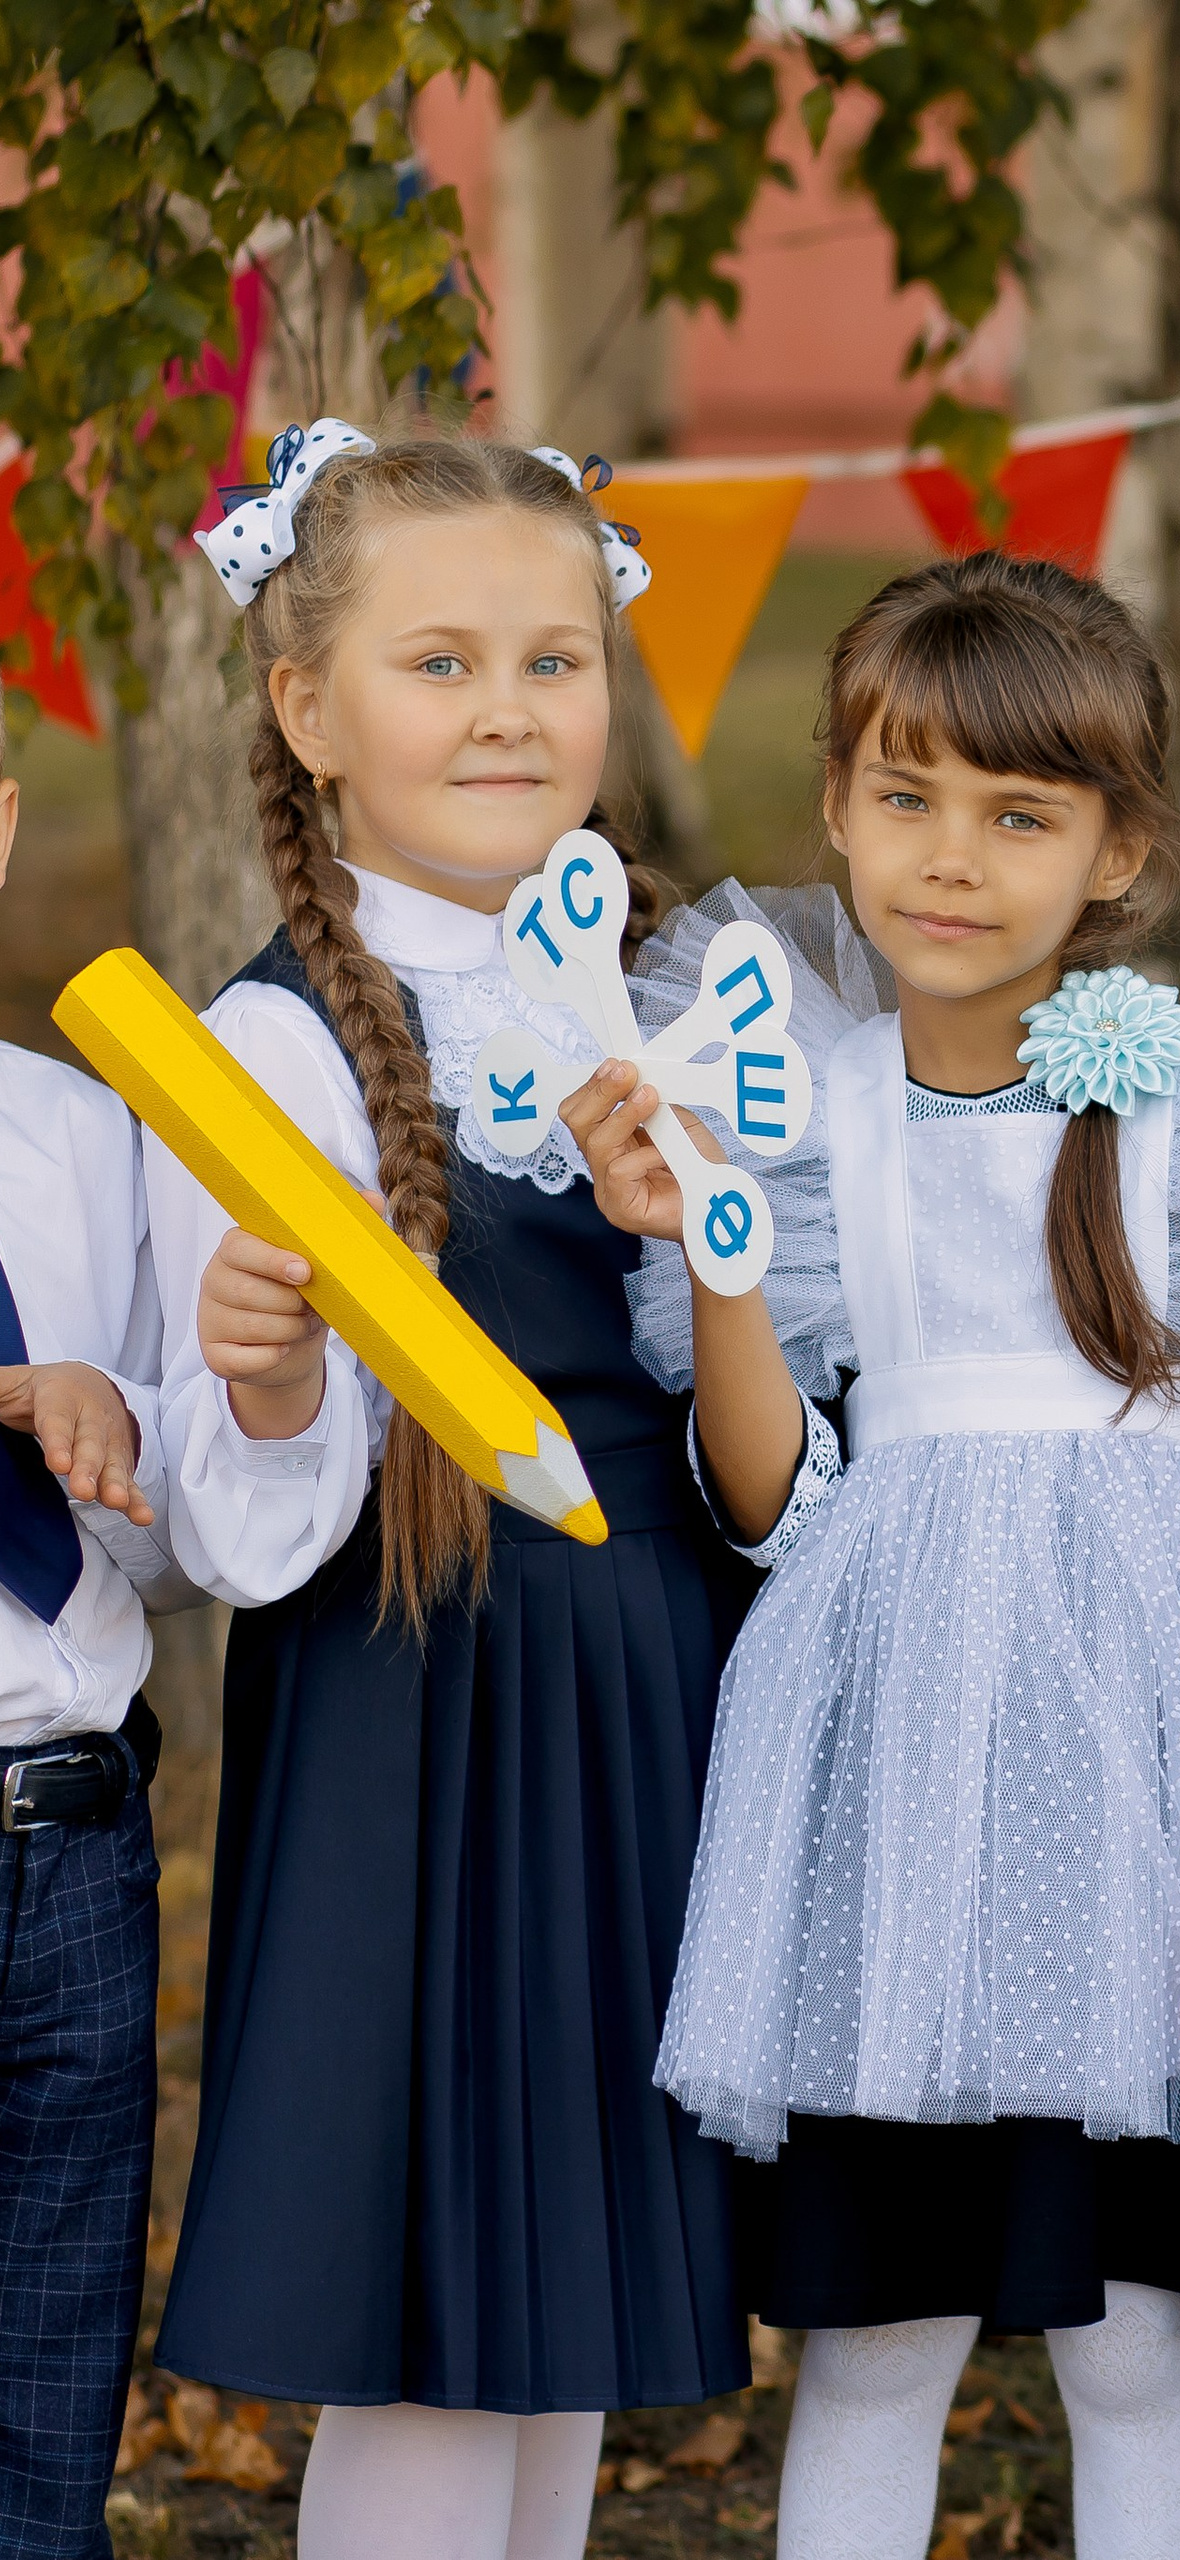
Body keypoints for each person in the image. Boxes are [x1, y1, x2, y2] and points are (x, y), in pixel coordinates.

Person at [564, 551, 1180, 2560]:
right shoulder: (797, 1119)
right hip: (891, 1808)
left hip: (1163, 1805)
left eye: (1018, 814)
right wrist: (714, 1249)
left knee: (1133, 2340)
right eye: (906, 796)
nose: (950, 859)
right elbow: (771, 1504)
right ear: (839, 806)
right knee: (878, 2343)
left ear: (1115, 846)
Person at [149, 423, 754, 2560]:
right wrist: (278, 1367)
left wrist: (710, 1244)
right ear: (310, 710)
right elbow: (234, 1529)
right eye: (439, 661)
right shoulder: (279, 1045)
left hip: (644, 1685)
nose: (509, 706)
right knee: (428, 2321)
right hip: (426, 1708)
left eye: (554, 657)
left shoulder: (677, 996)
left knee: (563, 2302)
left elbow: (758, 1435)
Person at [0, 731, 191, 2560]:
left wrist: (134, 1407)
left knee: (56, 2350)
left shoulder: (75, 1138)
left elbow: (173, 1482)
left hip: (67, 1830)